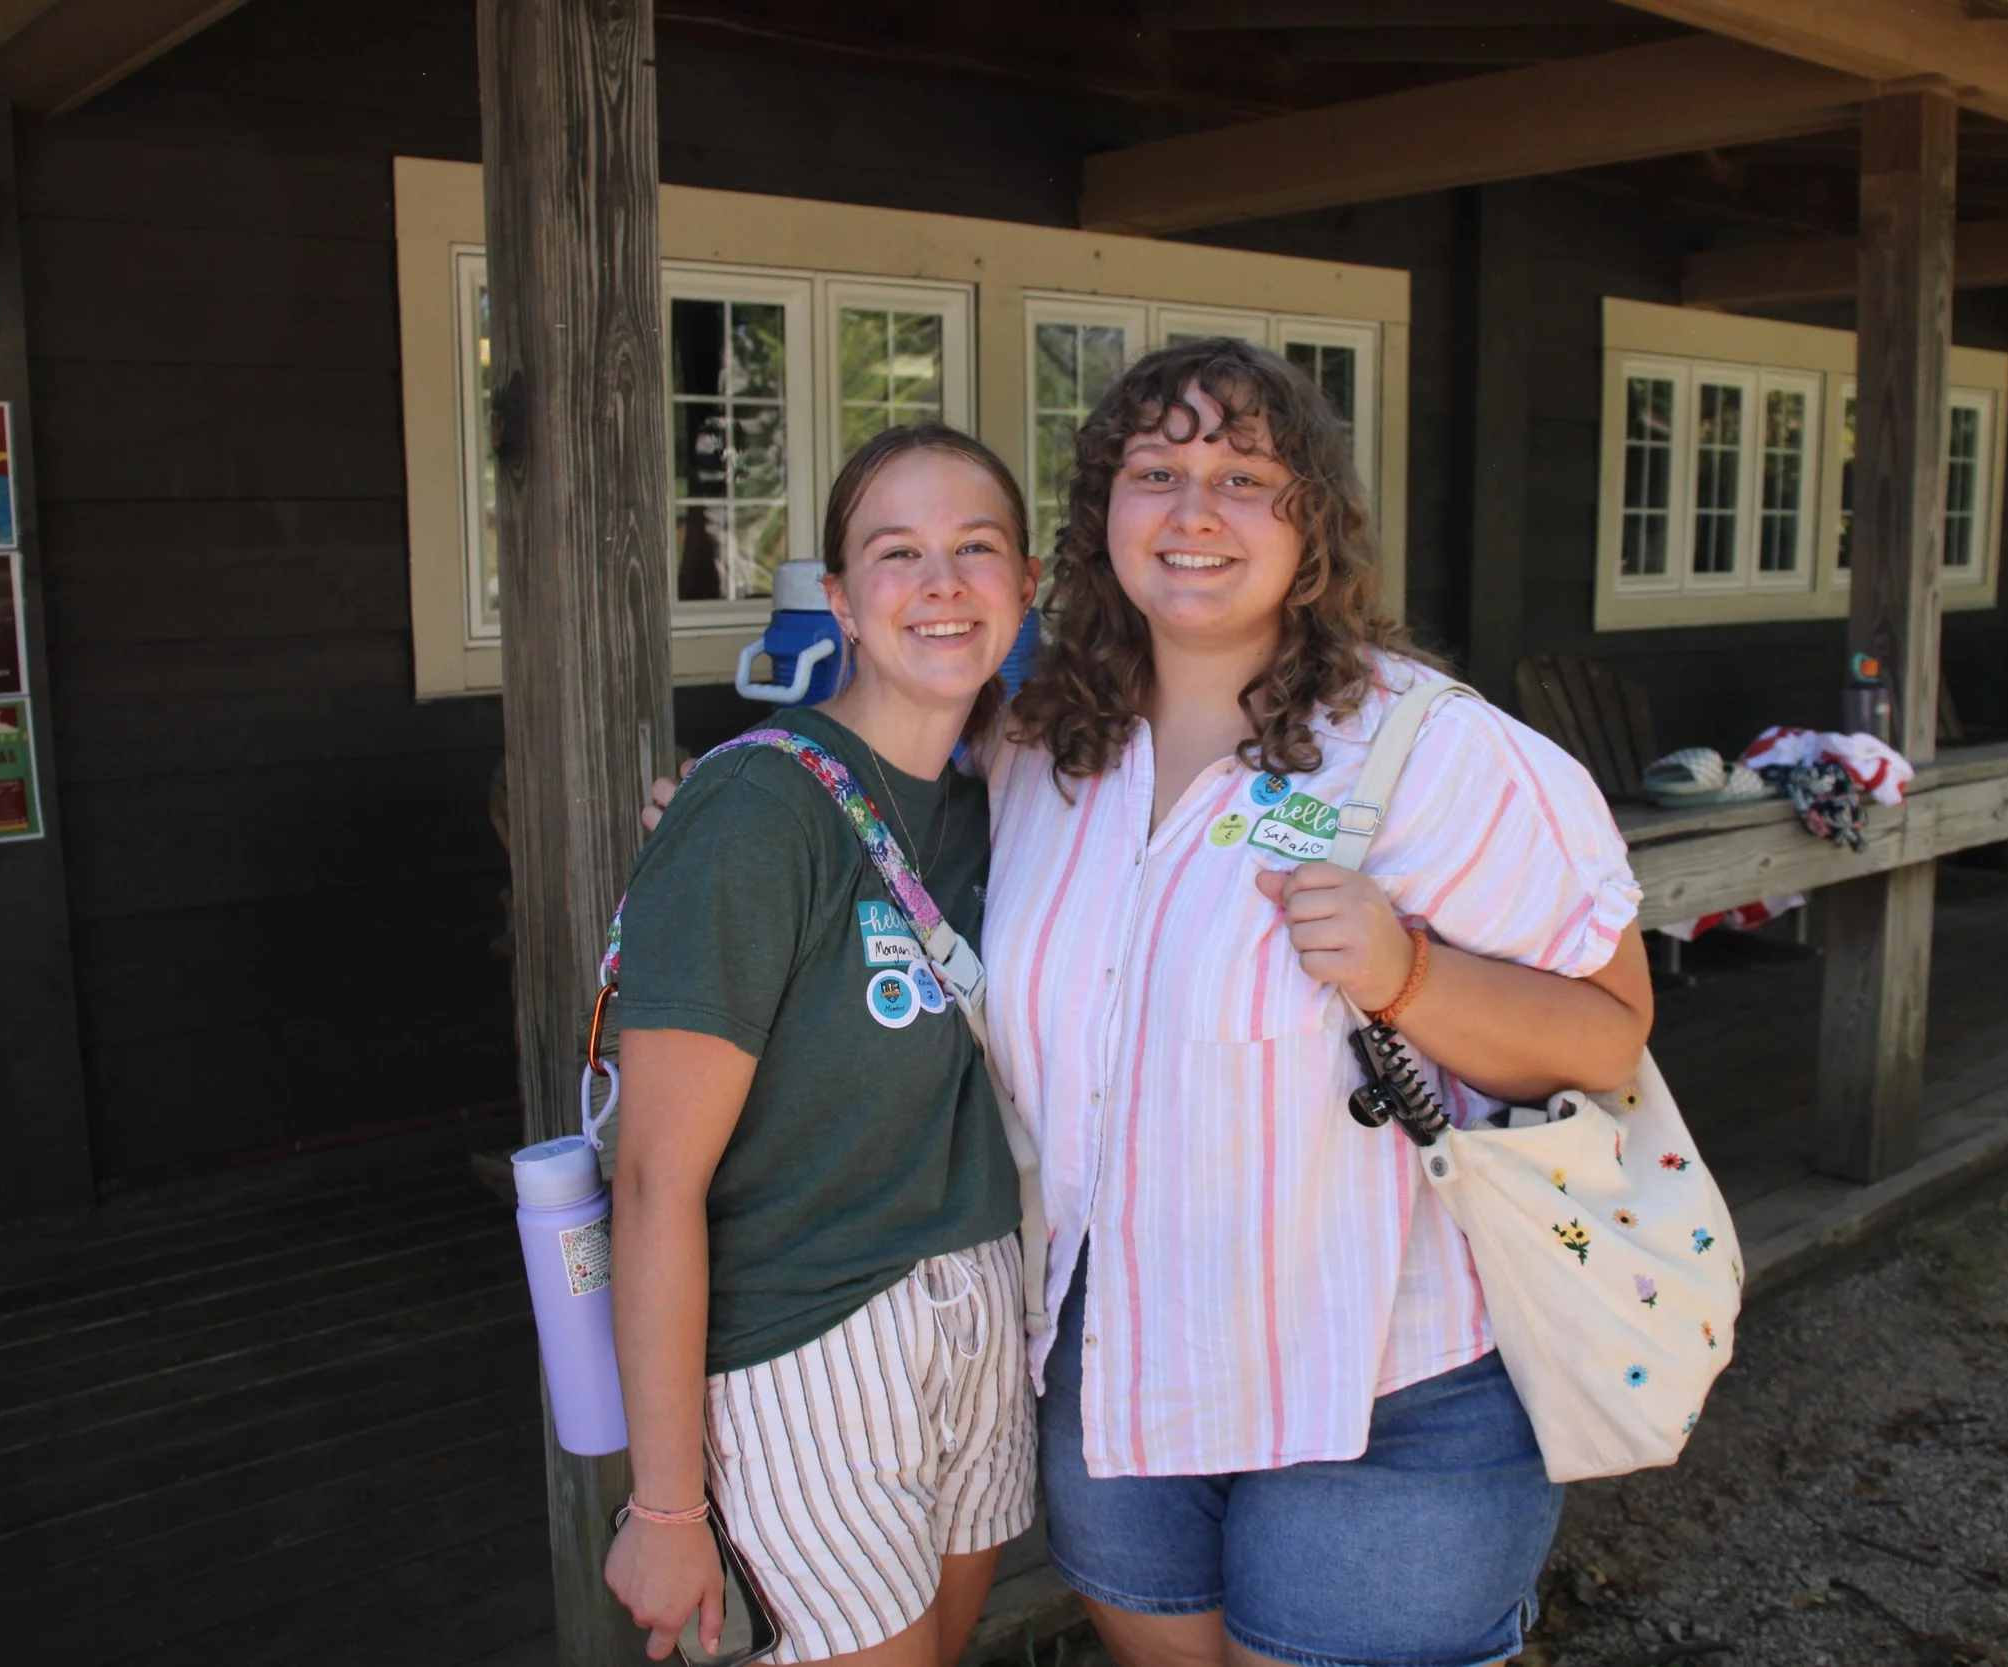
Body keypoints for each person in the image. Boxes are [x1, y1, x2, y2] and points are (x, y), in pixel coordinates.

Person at [985, 338, 1656, 1667]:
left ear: (1316, 522)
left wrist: (1413, 974)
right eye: (1155, 470)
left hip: (1395, 1396)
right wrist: (740, 805)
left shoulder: (1432, 752)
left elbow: (1611, 1031)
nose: (1192, 511)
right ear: (1100, 511)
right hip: (1118, 1370)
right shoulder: (1036, 752)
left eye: (1245, 476)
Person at [605, 426, 1041, 1667]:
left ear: (1025, 585)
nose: (942, 583)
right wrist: (667, 1503)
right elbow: (652, 1180)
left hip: (973, 1313)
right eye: (897, 553)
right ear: (842, 603)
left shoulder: (998, 801)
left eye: (975, 548)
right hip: (804, 1337)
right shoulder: (757, 808)